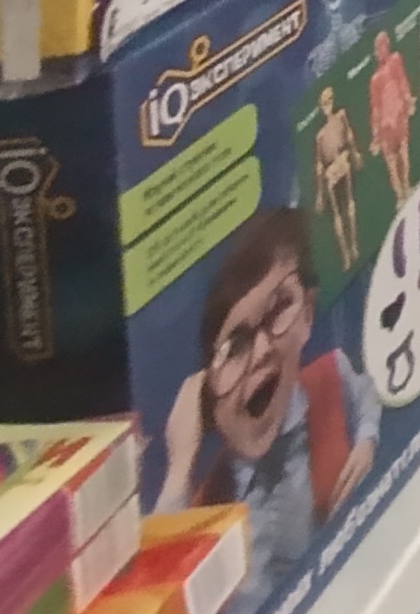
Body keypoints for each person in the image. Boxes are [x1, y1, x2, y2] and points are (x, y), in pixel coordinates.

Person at [158, 210, 378, 592]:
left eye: (279, 309)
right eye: (234, 347)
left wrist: (368, 440)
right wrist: (179, 469)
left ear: (307, 315)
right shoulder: (207, 508)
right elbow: (163, 588)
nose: (261, 351)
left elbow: (368, 393)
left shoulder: (332, 378)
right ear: (207, 392)